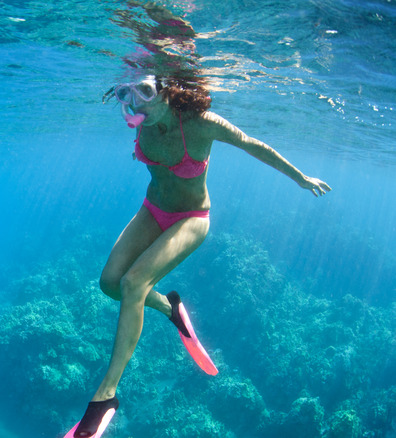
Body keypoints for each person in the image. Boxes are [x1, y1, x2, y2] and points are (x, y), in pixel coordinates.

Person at [69, 75, 331, 438]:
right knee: (110, 283)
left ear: (168, 91)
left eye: (145, 92)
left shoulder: (201, 124)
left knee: (133, 283)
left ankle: (106, 396)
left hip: (192, 218)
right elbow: (154, 159)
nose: (135, 102)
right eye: (126, 94)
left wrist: (300, 177)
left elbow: (251, 144)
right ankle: (170, 309)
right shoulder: (144, 123)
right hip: (153, 209)